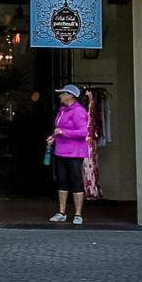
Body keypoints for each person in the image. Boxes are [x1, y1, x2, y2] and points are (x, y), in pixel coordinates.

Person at [48, 84, 92, 225]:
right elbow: (59, 129)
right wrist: (53, 137)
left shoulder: (79, 111)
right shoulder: (62, 111)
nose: (60, 96)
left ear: (70, 95)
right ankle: (62, 212)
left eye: (63, 93)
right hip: (61, 151)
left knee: (76, 181)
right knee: (62, 181)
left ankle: (78, 214)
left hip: (74, 152)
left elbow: (83, 132)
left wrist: (64, 133)